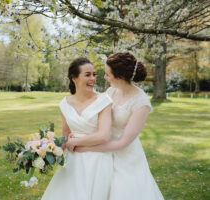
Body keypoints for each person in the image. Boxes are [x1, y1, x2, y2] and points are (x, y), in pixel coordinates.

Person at [71, 52, 165, 200]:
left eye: (108, 74)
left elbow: (123, 142)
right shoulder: (111, 91)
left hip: (126, 158)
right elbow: (98, 118)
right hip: (103, 152)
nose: (104, 77)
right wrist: (80, 134)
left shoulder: (141, 103)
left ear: (120, 77)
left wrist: (87, 148)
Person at [41, 58, 114, 200]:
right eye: (87, 75)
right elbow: (66, 135)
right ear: (74, 78)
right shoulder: (64, 104)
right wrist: (45, 152)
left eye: (94, 74)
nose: (92, 78)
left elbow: (103, 135)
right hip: (73, 160)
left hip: (98, 159)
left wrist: (75, 142)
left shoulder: (104, 101)